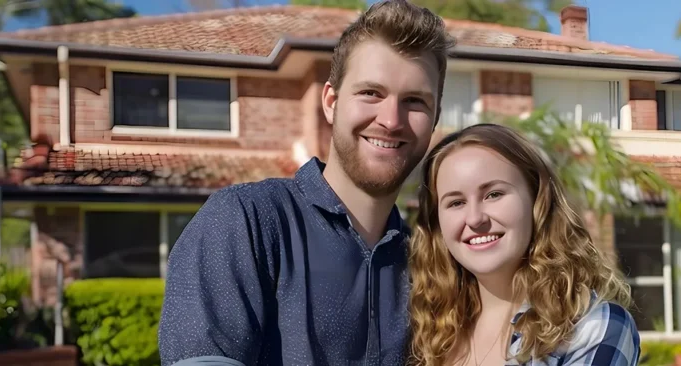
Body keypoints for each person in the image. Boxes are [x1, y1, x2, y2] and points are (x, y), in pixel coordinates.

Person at [157, 1, 455, 365]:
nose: (391, 120)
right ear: (331, 102)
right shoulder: (248, 221)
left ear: (435, 118)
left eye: (415, 101)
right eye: (370, 93)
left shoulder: (429, 265)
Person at [407, 123, 641, 366]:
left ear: (537, 200)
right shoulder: (423, 331)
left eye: (494, 194)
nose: (475, 219)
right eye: (456, 203)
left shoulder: (591, 328)